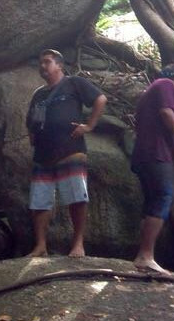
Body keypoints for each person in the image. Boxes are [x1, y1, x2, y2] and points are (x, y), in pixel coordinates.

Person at [25, 48, 107, 257]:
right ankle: (40, 246)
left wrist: (89, 126)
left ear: (59, 65)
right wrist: (32, 134)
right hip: (43, 154)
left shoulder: (74, 83)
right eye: (41, 63)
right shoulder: (39, 93)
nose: (42, 66)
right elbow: (31, 119)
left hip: (70, 150)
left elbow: (100, 99)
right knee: (40, 200)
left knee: (76, 197)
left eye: (47, 62)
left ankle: (78, 245)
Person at [131, 63, 174, 274]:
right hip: (156, 154)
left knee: (151, 201)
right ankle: (146, 255)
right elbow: (166, 112)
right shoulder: (166, 84)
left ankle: (142, 255)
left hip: (143, 155)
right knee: (164, 196)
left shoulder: (149, 91)